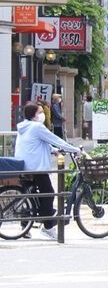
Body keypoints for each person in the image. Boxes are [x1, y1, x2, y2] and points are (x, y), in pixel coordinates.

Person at [14, 103, 83, 240]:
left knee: (30, 195)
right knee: (49, 194)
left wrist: (53, 150)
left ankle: (25, 227)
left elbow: (36, 143)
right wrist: (74, 150)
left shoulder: (24, 126)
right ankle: (48, 227)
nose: (42, 114)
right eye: (40, 112)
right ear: (34, 115)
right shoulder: (37, 127)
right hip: (36, 167)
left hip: (24, 165)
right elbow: (55, 139)